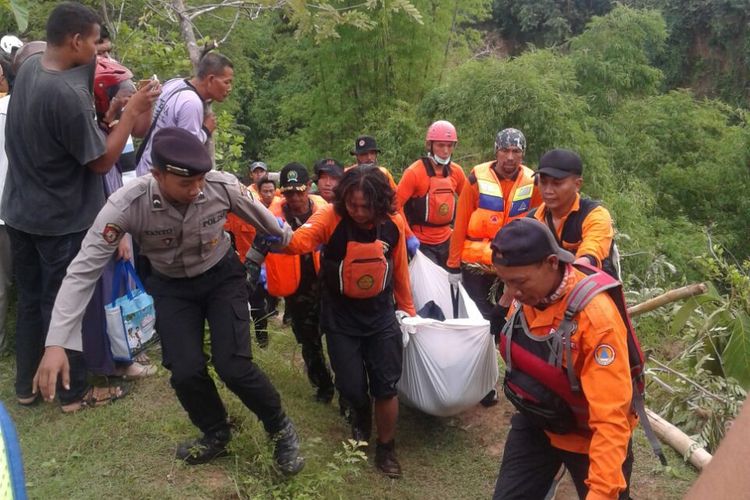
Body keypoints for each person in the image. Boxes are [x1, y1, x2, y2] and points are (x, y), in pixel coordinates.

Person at [33, 127, 304, 474]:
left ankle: (279, 428)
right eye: (186, 184)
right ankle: (216, 431)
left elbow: (271, 226)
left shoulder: (220, 186)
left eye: (200, 181)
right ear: (157, 174)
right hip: (172, 286)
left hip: (222, 277)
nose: (196, 191)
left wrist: (302, 242)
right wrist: (57, 340)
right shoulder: (127, 204)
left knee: (233, 365)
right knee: (185, 369)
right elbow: (83, 271)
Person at [0, 3, 160, 410]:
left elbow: (70, 138)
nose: (98, 52)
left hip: (20, 212)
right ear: (75, 41)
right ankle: (73, 393)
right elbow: (102, 161)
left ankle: (26, 387)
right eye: (94, 43)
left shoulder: (31, 68)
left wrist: (104, 117)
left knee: (34, 300)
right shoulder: (66, 94)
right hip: (59, 221)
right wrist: (131, 114)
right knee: (66, 303)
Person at [273, 165, 416, 478]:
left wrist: (408, 310)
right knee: (351, 387)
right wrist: (269, 229)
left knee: (386, 387)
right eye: (353, 205)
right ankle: (360, 426)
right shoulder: (330, 218)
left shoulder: (393, 223)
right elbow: (298, 243)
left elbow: (400, 270)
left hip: (380, 316)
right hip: (340, 316)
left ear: (379, 203)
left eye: (367, 206)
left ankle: (386, 448)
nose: (360, 212)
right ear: (344, 200)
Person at [491, 218, 635, 500]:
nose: (512, 293)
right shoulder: (527, 296)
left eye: (519, 282)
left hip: (588, 438)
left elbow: (610, 419)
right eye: (506, 282)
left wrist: (603, 493)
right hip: (538, 421)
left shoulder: (596, 321)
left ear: (552, 262)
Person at [257, 163, 334, 402]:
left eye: (299, 191)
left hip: (328, 284)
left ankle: (347, 385)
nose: (295, 198)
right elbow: (260, 245)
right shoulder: (273, 216)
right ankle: (323, 386)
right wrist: (260, 268)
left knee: (337, 335)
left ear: (309, 188)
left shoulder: (324, 210)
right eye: (289, 193)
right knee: (308, 340)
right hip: (297, 288)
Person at [447, 128, 541, 319]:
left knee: (508, 317)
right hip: (476, 263)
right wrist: (453, 264)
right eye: (505, 150)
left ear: (523, 154)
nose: (510, 157)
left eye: (516, 151)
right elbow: (461, 223)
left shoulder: (533, 182)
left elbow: (540, 226)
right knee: (478, 318)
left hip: (514, 264)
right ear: (496, 151)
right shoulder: (476, 178)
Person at [135, 52, 233, 175]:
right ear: (211, 79)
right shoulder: (191, 103)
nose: (229, 88)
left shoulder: (174, 83)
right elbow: (186, 150)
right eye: (227, 82)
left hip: (145, 165)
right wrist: (206, 130)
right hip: (158, 178)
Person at [529, 149, 618, 278]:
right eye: (543, 182)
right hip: (546, 292)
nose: (548, 190)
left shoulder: (595, 215)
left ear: (577, 184)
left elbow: (590, 257)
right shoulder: (533, 220)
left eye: (556, 183)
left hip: (590, 291)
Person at [397, 120, 466, 267]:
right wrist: (409, 236)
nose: (446, 151)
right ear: (430, 145)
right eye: (441, 145)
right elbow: (395, 207)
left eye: (450, 145)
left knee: (450, 284)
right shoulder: (414, 172)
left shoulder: (456, 172)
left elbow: (470, 202)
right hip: (421, 243)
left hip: (448, 239)